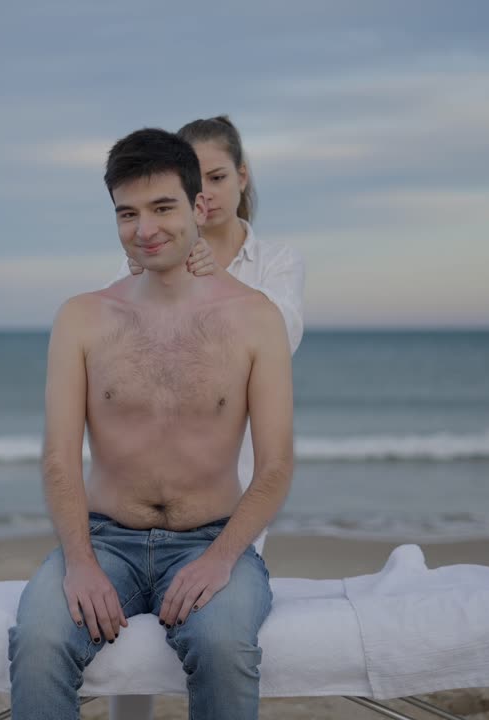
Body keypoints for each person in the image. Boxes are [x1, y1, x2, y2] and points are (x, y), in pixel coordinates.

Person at [8, 128, 294, 719]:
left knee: (222, 645)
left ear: (198, 207)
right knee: (39, 641)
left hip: (212, 539)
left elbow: (275, 466)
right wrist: (80, 562)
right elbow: (59, 458)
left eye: (163, 208)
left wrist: (221, 559)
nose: (145, 229)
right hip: (103, 539)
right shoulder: (83, 317)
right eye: (127, 213)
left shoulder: (255, 318)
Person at [112, 114, 305, 553]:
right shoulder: (151, 254)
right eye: (196, 181)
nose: (208, 192)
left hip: (237, 475)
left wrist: (216, 278)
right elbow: (114, 346)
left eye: (217, 177)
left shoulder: (278, 262)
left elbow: (282, 337)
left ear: (242, 176)